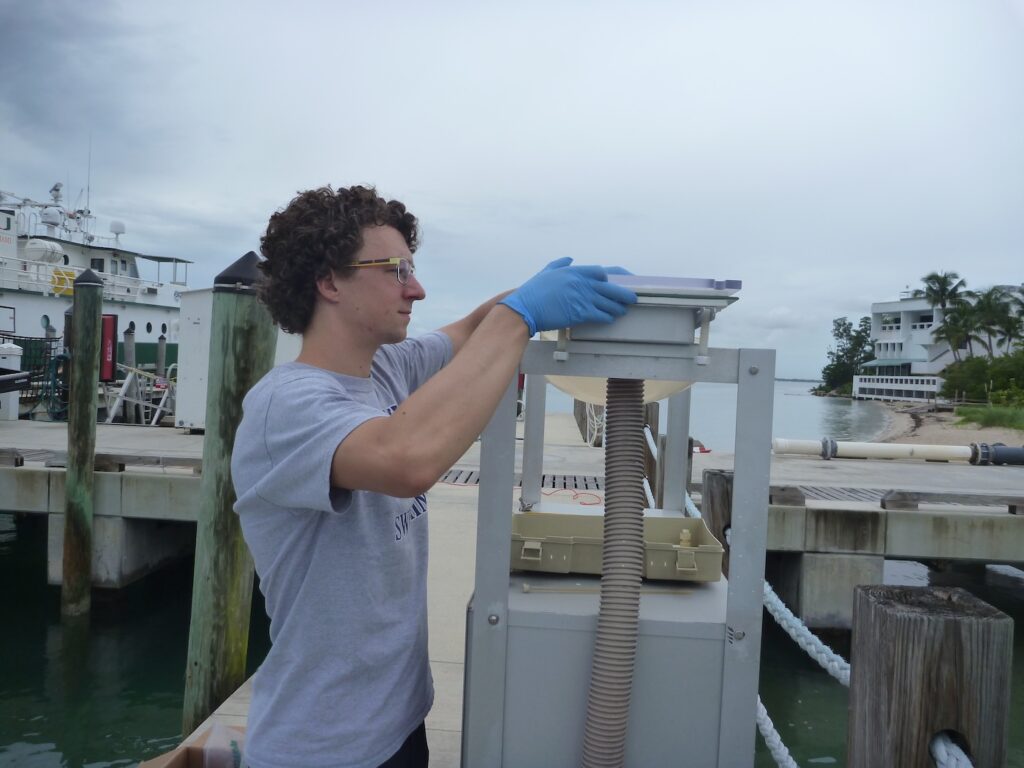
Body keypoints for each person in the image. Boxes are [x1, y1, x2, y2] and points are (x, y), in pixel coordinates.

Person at [231, 184, 636, 768]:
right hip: (322, 746)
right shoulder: (287, 405)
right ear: (330, 282)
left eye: (413, 269)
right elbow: (406, 460)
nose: (415, 288)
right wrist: (521, 316)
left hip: (398, 721)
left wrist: (535, 294)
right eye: (395, 270)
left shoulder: (387, 369)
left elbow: (472, 331)